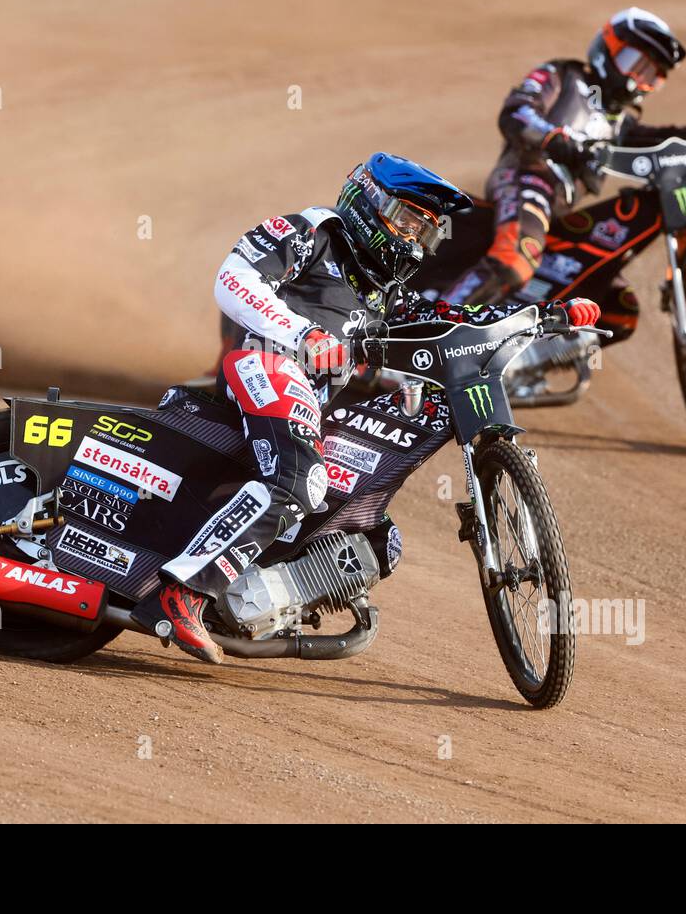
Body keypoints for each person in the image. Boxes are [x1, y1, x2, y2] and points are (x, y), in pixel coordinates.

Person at [132, 153, 596, 663]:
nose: (414, 238)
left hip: (306, 399)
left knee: (375, 538)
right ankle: (184, 591)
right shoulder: (313, 229)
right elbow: (234, 278)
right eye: (406, 220)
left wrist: (545, 314)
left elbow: (452, 316)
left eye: (427, 230)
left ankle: (258, 598)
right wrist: (302, 332)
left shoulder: (385, 290)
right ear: (367, 202)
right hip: (262, 362)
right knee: (299, 481)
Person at [446, 6, 686, 341]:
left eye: (650, 75)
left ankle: (525, 359)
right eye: (632, 64)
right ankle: (430, 333)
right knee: (515, 259)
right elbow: (517, 111)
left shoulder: (619, 121)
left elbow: (669, 138)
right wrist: (555, 139)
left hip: (559, 217)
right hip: (525, 180)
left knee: (620, 310)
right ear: (606, 48)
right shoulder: (562, 76)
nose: (637, 79)